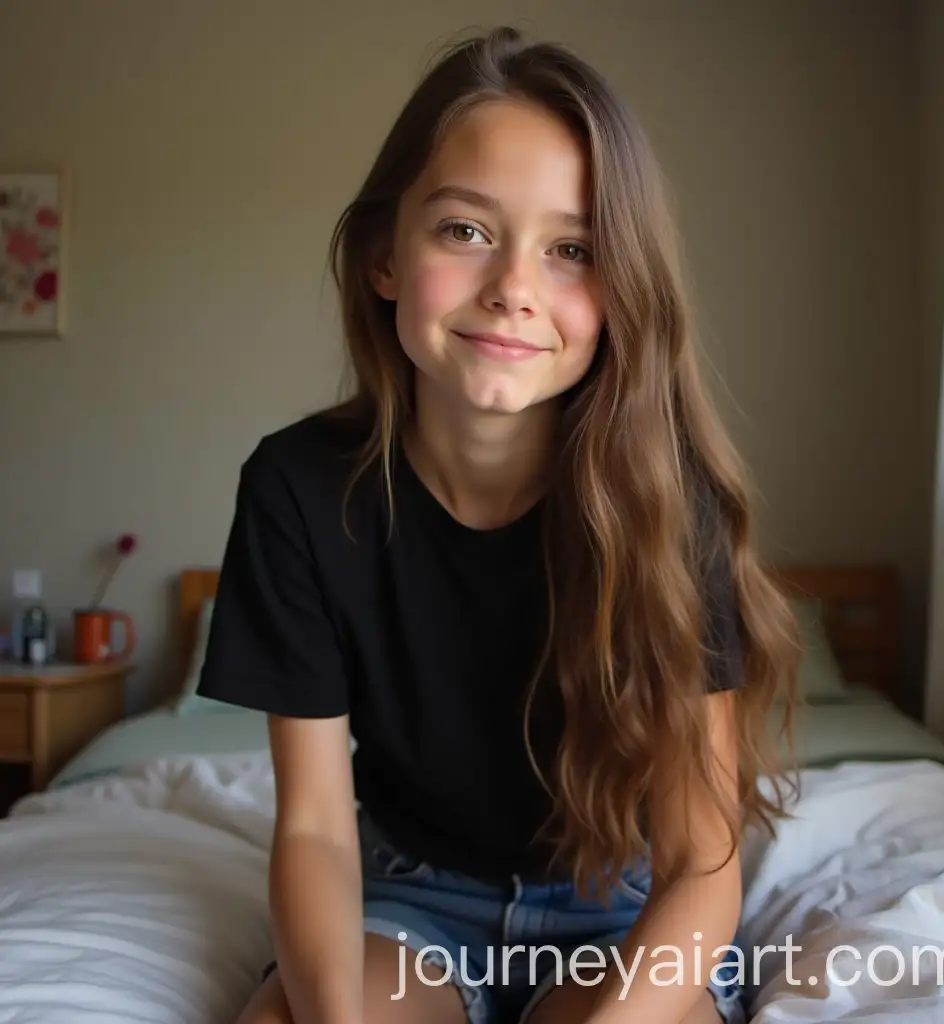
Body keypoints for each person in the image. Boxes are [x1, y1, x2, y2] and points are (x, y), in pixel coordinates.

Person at [197, 24, 800, 1024]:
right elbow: (311, 828)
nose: (514, 287)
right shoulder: (297, 489)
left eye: (572, 249)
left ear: (619, 294)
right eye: (465, 230)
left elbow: (700, 860)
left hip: (623, 905)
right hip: (409, 897)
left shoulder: (668, 500)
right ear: (385, 256)